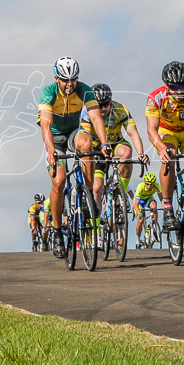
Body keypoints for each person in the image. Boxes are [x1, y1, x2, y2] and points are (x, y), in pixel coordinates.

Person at [38, 56, 111, 258]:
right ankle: (57, 231)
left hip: (72, 133)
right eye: (65, 80)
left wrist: (104, 143)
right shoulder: (49, 93)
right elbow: (45, 125)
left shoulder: (84, 90)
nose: (69, 85)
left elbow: (96, 119)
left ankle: (87, 197)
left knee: (87, 144)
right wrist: (51, 149)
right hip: (54, 138)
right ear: (56, 78)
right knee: (59, 181)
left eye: (73, 80)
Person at [145, 61, 184, 232]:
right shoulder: (156, 97)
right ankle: (167, 208)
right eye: (174, 87)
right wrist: (161, 148)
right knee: (169, 157)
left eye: (183, 86)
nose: (179, 91)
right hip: (167, 131)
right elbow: (151, 130)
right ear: (166, 85)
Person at [77, 83, 149, 217]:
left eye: (106, 104)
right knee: (97, 189)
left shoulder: (120, 109)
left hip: (116, 143)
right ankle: (96, 228)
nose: (103, 108)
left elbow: (133, 133)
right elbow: (85, 134)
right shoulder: (87, 111)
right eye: (99, 105)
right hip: (96, 148)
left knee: (126, 153)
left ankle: (119, 192)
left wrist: (141, 153)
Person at [133, 171, 163, 247]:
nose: (149, 186)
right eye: (147, 184)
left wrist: (164, 208)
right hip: (139, 201)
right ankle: (138, 239)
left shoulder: (157, 186)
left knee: (154, 206)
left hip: (148, 198)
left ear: (154, 183)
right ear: (144, 182)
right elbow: (136, 204)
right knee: (141, 220)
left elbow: (161, 199)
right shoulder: (140, 187)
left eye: (151, 184)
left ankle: (154, 226)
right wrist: (139, 212)